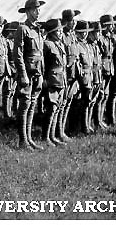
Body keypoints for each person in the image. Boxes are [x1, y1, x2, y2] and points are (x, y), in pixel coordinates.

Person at [13, 0, 45, 150]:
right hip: (27, 73)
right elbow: (17, 54)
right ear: (28, 12)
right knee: (24, 105)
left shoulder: (37, 30)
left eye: (38, 9)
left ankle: (29, 138)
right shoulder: (22, 29)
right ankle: (22, 140)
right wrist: (23, 74)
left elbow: (40, 54)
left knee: (32, 104)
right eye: (35, 9)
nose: (38, 12)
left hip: (37, 72)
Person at [41, 18, 67, 146]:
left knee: (57, 109)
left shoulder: (59, 44)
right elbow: (42, 64)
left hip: (60, 79)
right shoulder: (46, 44)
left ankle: (52, 136)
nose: (61, 32)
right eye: (58, 30)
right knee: (51, 108)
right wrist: (44, 79)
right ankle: (45, 137)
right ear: (52, 32)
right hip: (51, 79)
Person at [58, 9, 81, 142]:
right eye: (72, 20)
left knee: (68, 102)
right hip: (65, 73)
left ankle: (62, 130)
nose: (74, 22)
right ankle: (58, 131)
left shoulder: (72, 35)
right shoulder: (62, 35)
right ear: (67, 21)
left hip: (73, 73)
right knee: (61, 103)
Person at [74, 20, 94, 134]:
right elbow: (78, 63)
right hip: (82, 78)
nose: (85, 34)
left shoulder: (86, 45)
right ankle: (76, 128)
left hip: (88, 77)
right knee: (79, 103)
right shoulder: (77, 45)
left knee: (87, 102)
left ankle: (85, 126)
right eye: (82, 32)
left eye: (86, 32)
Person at [97, 14, 116, 128]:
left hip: (109, 68)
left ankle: (101, 119)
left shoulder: (109, 37)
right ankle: (97, 120)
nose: (112, 27)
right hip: (103, 69)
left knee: (105, 95)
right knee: (100, 95)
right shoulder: (100, 38)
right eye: (110, 25)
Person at [87, 22, 105, 129]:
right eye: (98, 32)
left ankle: (91, 123)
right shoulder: (88, 45)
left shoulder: (95, 45)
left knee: (94, 101)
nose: (99, 34)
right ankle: (86, 125)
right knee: (89, 101)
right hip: (92, 77)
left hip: (98, 76)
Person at [2, 21, 19, 119]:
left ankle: (14, 112)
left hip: (17, 70)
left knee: (15, 92)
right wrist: (8, 71)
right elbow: (6, 58)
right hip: (10, 70)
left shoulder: (17, 42)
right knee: (7, 93)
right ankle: (6, 114)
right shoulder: (7, 42)